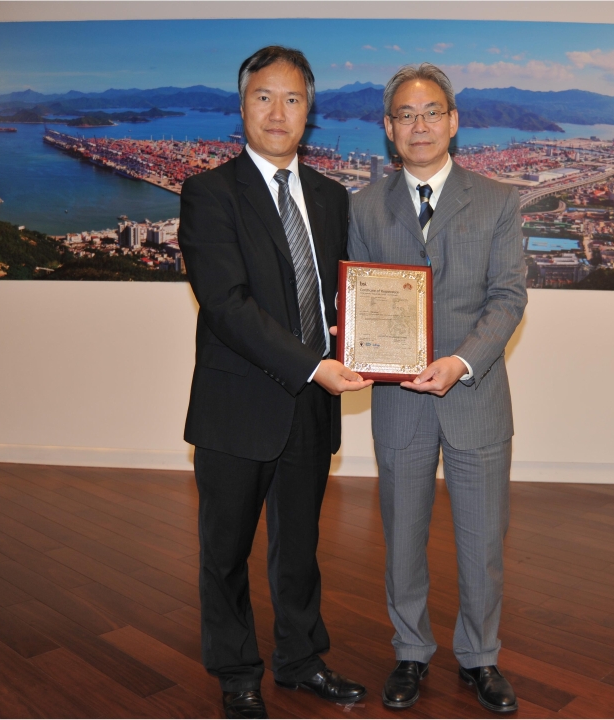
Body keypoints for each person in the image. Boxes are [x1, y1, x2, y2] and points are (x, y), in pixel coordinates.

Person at [178, 46, 372, 720]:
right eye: (264, 96)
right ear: (241, 106)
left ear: (309, 111)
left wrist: (369, 340)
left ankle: (299, 660)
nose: (278, 111)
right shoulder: (208, 193)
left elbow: (339, 300)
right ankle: (235, 670)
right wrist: (314, 365)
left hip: (310, 409)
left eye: (292, 99)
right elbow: (226, 303)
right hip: (238, 404)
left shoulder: (329, 196)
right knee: (225, 551)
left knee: (301, 550)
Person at [347, 63, 527, 714]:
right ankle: (410, 651)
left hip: (475, 395)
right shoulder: (364, 207)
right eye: (404, 115)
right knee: (401, 537)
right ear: (388, 130)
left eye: (431, 112)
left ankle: (480, 658)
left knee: (482, 542)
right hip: (398, 402)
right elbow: (361, 302)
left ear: (453, 122)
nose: (418, 125)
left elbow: (508, 300)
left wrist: (461, 361)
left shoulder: (499, 200)